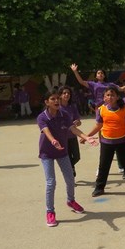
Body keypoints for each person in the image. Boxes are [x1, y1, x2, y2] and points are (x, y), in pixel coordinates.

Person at [37, 91, 96, 227]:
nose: (57, 101)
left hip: (62, 152)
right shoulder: (42, 117)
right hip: (47, 153)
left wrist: (86, 137)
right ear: (47, 102)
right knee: (51, 182)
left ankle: (71, 200)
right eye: (53, 99)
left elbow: (73, 129)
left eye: (58, 98)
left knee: (70, 179)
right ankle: (50, 212)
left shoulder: (65, 115)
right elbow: (46, 131)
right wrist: (53, 141)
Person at [85, 86, 125, 197]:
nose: (110, 97)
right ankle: (99, 188)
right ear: (104, 97)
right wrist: (86, 136)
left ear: (117, 97)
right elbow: (98, 126)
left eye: (112, 95)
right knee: (103, 165)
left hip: (123, 141)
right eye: (108, 95)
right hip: (107, 142)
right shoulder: (101, 109)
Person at [57, 85, 82, 178]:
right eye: (64, 93)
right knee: (66, 156)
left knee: (76, 156)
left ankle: (70, 167)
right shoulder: (57, 108)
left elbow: (78, 122)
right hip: (62, 138)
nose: (66, 95)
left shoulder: (72, 107)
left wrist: (77, 122)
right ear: (60, 95)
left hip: (73, 135)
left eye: (68, 93)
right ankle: (70, 172)